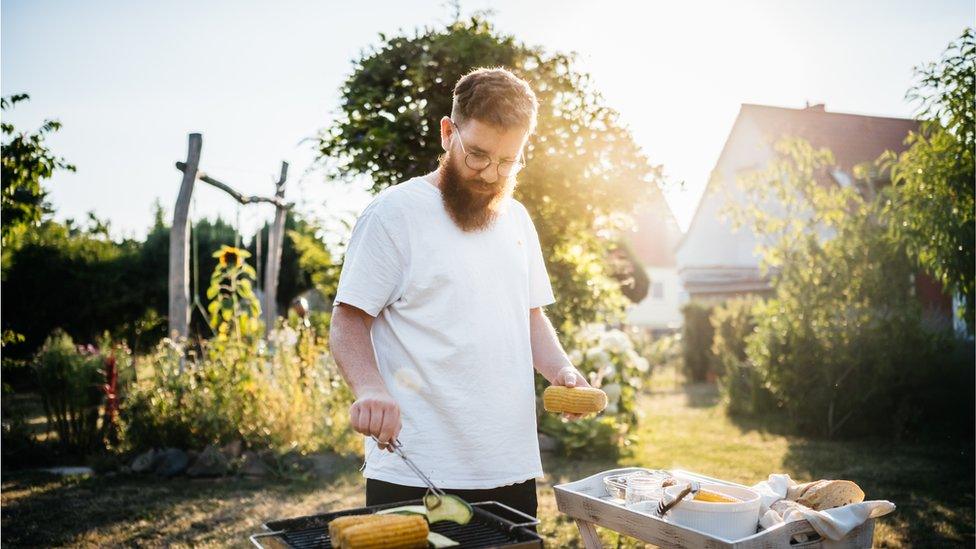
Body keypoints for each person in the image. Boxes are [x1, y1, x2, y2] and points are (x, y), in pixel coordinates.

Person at [329, 67, 589, 519]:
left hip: (508, 466)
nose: (491, 173)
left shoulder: (517, 219)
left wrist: (561, 369)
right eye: (478, 155)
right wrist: (370, 387)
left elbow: (528, 317)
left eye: (508, 161)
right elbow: (348, 318)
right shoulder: (394, 213)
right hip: (415, 469)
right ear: (449, 133)